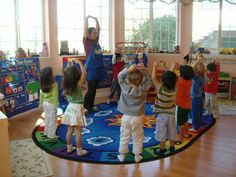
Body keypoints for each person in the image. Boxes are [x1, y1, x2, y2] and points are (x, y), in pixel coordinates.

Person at [117, 63, 152, 163]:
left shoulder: (125, 88)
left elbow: (120, 76)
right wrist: (144, 70)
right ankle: (137, 156)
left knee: (124, 135)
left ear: (128, 79)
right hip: (138, 117)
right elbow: (149, 80)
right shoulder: (144, 89)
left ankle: (122, 155)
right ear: (141, 80)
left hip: (126, 117)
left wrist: (128, 69)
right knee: (138, 136)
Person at [62, 59, 88, 156]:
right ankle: (79, 151)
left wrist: (69, 65)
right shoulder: (78, 84)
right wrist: (80, 63)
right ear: (76, 75)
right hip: (77, 109)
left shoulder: (66, 84)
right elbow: (84, 73)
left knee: (69, 130)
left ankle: (69, 148)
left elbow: (66, 73)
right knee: (78, 133)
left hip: (69, 108)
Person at [152, 61, 177, 156]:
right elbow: (170, 78)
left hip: (162, 116)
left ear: (162, 81)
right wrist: (173, 67)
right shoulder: (174, 89)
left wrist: (155, 66)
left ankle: (162, 150)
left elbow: (153, 77)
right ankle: (172, 148)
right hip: (171, 115)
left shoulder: (160, 88)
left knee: (162, 132)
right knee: (172, 131)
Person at [83, 15, 106, 114]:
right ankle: (85, 108)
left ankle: (91, 107)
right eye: (94, 33)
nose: (96, 34)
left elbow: (99, 29)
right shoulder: (87, 41)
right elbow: (85, 29)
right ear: (89, 34)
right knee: (91, 90)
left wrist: (96, 19)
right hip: (91, 70)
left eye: (96, 33)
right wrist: (87, 19)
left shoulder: (96, 41)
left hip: (97, 69)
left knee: (94, 90)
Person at [174, 64, 194, 143]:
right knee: (185, 120)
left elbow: (171, 77)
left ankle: (181, 137)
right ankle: (186, 133)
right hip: (187, 105)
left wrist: (173, 68)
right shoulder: (190, 81)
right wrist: (181, 68)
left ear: (181, 75)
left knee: (180, 123)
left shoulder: (180, 82)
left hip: (181, 106)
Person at [40, 67, 58, 139]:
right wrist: (56, 105)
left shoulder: (42, 83)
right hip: (52, 104)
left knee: (47, 118)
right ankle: (51, 135)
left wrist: (41, 103)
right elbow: (55, 96)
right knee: (53, 119)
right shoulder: (54, 84)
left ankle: (46, 132)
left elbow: (41, 94)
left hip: (45, 103)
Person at [190, 62, 206, 131]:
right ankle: (198, 125)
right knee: (199, 113)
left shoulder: (196, 78)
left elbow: (191, 72)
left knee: (195, 113)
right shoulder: (203, 78)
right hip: (200, 98)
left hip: (195, 99)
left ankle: (195, 127)